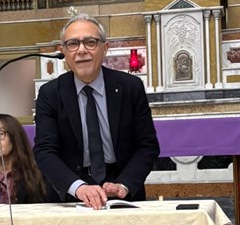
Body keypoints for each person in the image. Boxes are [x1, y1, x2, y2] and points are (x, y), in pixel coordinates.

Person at [33, 15, 159, 209]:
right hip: (71, 193)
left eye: (90, 42)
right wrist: (78, 187)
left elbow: (147, 146)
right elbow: (44, 151)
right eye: (73, 44)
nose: (82, 50)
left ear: (104, 49)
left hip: (121, 191)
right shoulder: (50, 94)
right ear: (64, 52)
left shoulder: (130, 87)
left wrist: (124, 185)